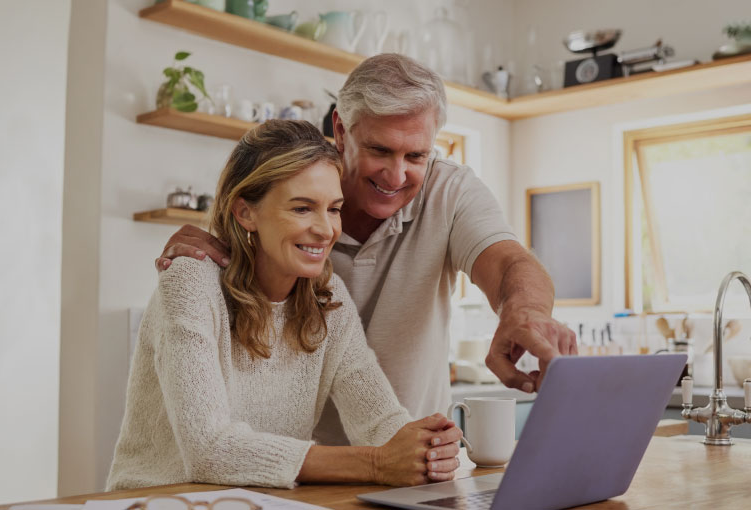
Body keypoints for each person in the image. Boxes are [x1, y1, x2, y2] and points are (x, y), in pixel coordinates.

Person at [155, 54, 577, 444]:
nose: (396, 175)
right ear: (341, 130)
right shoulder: (287, 200)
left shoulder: (449, 192)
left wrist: (524, 312)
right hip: (285, 467)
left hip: (399, 458)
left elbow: (509, 262)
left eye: (417, 155)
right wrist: (208, 259)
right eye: (380, 150)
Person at [106, 120, 463, 491]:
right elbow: (210, 450)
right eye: (303, 208)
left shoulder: (328, 298)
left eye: (334, 209)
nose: (326, 230)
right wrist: (377, 463)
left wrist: (425, 448)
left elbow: (380, 422)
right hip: (160, 500)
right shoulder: (191, 281)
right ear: (246, 213)